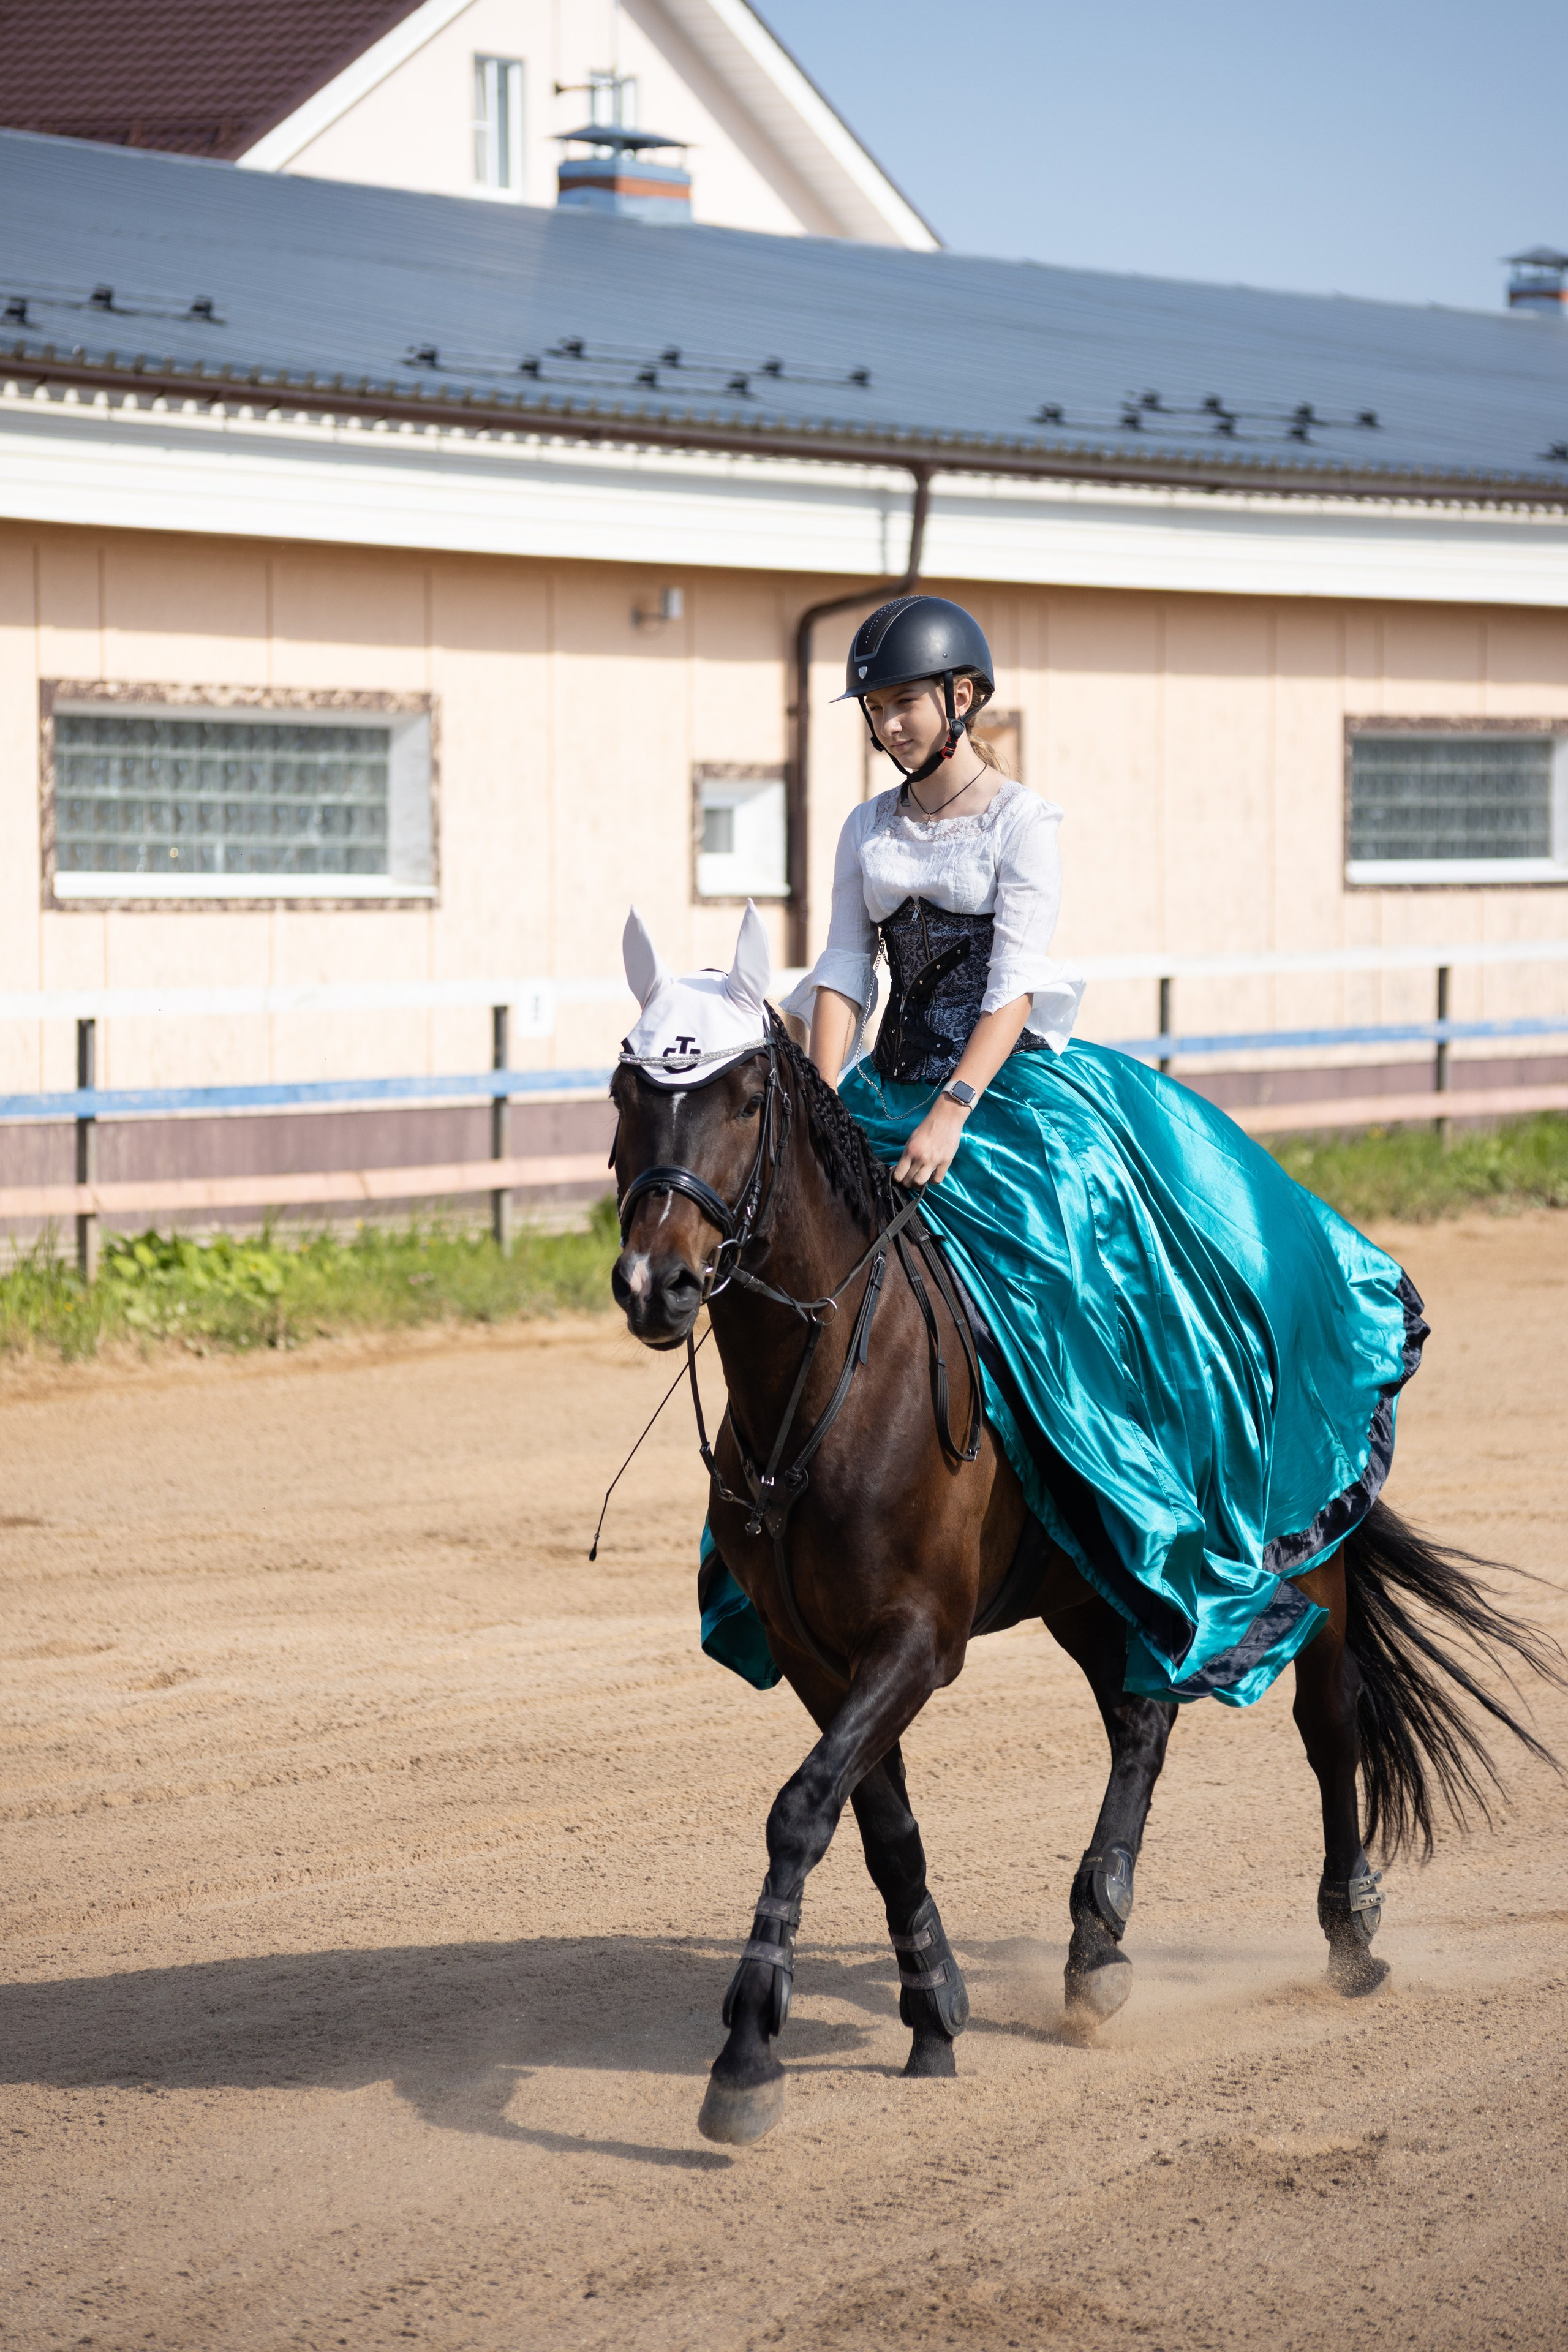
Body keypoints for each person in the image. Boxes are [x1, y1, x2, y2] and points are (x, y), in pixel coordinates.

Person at [767, 594, 1426, 1708]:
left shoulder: (1024, 821)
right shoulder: (867, 829)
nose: (891, 726)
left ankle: (1136, 1507)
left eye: (907, 704)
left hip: (1005, 1091)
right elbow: (842, 969)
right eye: (877, 709)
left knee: (1070, 1272)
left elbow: (1014, 985)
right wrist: (826, 1103)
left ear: (963, 698)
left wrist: (952, 1111)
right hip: (883, 1087)